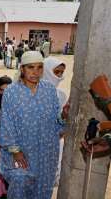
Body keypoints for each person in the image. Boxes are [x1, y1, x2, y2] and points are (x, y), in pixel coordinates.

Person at [0, 51, 64, 199]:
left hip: (46, 153)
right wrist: (15, 151)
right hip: (21, 152)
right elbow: (7, 123)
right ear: (22, 69)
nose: (36, 72)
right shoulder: (11, 92)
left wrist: (64, 116)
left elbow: (56, 120)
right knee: (20, 184)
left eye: (40, 67)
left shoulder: (49, 90)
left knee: (42, 189)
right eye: (31, 67)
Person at [42, 57, 67, 186]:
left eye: (61, 73)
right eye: (56, 72)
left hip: (52, 145)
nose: (59, 76)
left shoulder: (61, 95)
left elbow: (61, 122)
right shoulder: (29, 91)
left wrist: (64, 117)